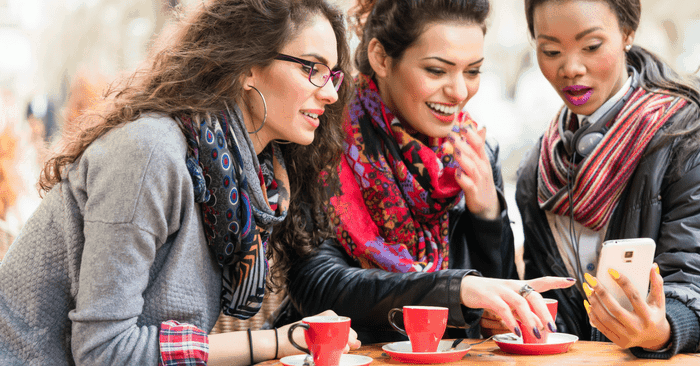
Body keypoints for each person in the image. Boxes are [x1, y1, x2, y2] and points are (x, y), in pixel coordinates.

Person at [0, 1, 361, 365]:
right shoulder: (151, 154)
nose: (330, 93)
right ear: (249, 67)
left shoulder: (249, 183)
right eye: (311, 68)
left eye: (332, 75)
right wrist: (279, 341)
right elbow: (104, 351)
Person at [276, 0, 575, 345]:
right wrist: (455, 288)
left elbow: (496, 318)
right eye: (436, 71)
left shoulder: (472, 151)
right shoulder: (320, 141)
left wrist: (488, 216)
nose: (460, 91)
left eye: (473, 71)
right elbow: (316, 286)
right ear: (381, 58)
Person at [516, 0, 700, 358]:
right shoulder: (538, 168)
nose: (570, 68)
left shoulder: (685, 137)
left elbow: (693, 274)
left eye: (592, 46)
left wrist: (662, 329)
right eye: (550, 50)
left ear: (628, 33)